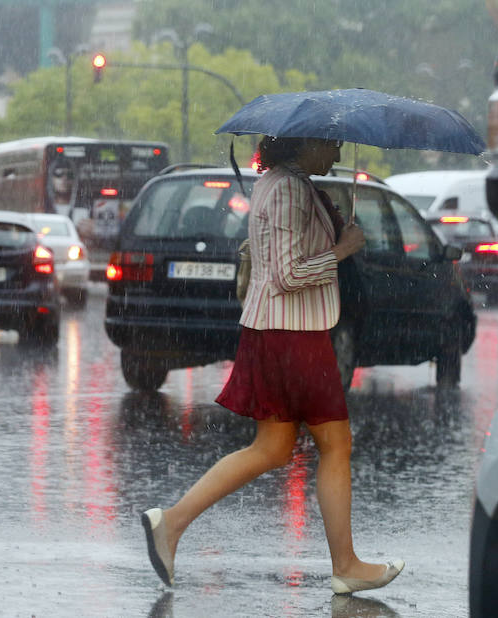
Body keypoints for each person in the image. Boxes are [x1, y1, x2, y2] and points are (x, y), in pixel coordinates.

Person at [141, 136, 405, 594]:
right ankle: (345, 564)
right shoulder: (286, 190)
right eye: (333, 146)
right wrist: (342, 250)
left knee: (272, 449)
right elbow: (288, 275)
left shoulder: (283, 184)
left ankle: (172, 523)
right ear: (307, 144)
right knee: (336, 443)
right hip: (292, 334)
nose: (338, 155)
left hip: (281, 330)